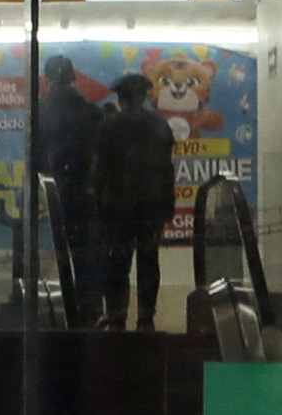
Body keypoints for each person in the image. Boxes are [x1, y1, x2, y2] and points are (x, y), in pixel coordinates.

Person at [84, 69, 179, 333]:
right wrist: (167, 207)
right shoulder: (160, 125)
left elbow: (99, 171)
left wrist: (97, 205)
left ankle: (116, 318)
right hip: (151, 208)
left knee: (117, 264)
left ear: (121, 98)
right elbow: (166, 170)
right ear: (145, 97)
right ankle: (146, 320)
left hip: (117, 209)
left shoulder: (108, 126)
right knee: (149, 263)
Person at [33, 56, 101, 325]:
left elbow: (34, 157)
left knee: (49, 255)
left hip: (49, 192)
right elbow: (100, 156)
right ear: (74, 78)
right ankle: (88, 312)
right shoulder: (91, 111)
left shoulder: (38, 111)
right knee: (84, 255)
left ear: (46, 79)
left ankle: (53, 313)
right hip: (83, 192)